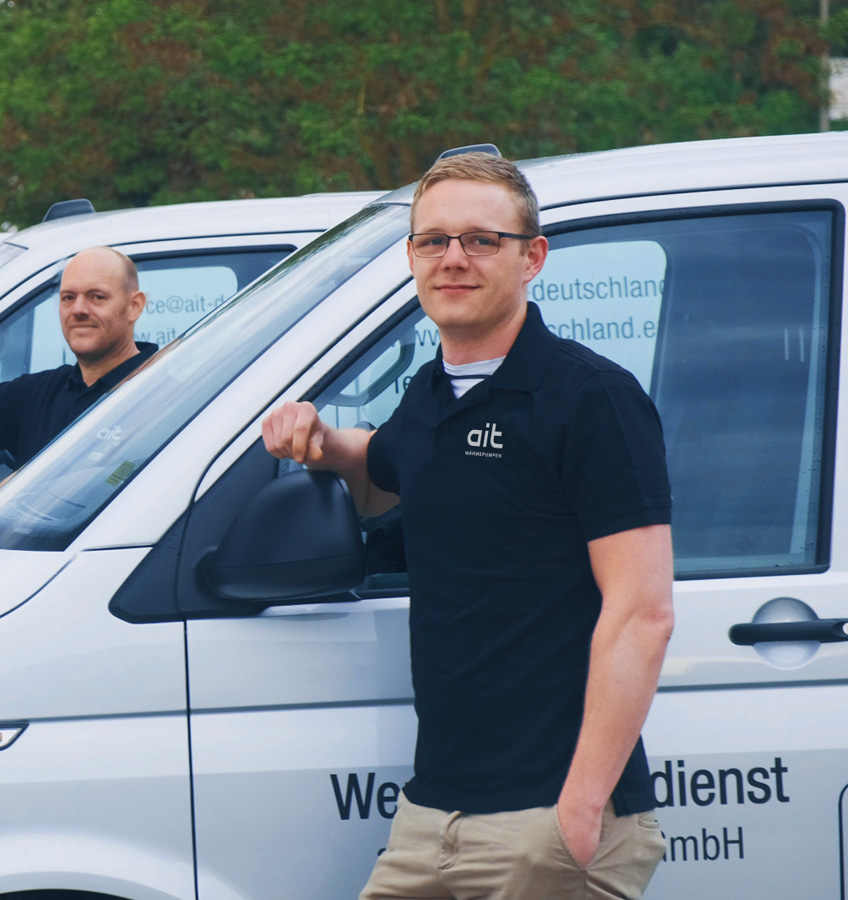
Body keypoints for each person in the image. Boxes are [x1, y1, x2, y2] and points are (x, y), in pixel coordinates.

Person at [261, 153, 672, 900]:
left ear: (532, 257)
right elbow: (383, 466)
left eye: (481, 240)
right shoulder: (432, 395)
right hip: (432, 815)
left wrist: (575, 813)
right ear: (412, 257)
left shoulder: (590, 400)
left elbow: (642, 614)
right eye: (433, 241)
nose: (453, 259)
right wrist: (317, 436)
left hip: (545, 821)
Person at [0, 246, 154, 497]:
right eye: (68, 297)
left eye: (97, 297)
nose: (79, 309)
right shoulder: (42, 392)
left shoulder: (165, 397)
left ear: (134, 306)